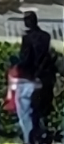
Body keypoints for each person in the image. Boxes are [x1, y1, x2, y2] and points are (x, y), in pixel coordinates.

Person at [16, 11, 56, 144]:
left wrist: (17, 65)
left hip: (30, 78)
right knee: (40, 111)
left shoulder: (27, 38)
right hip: (44, 78)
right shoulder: (46, 36)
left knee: (25, 111)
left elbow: (25, 58)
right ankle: (41, 135)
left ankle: (29, 139)